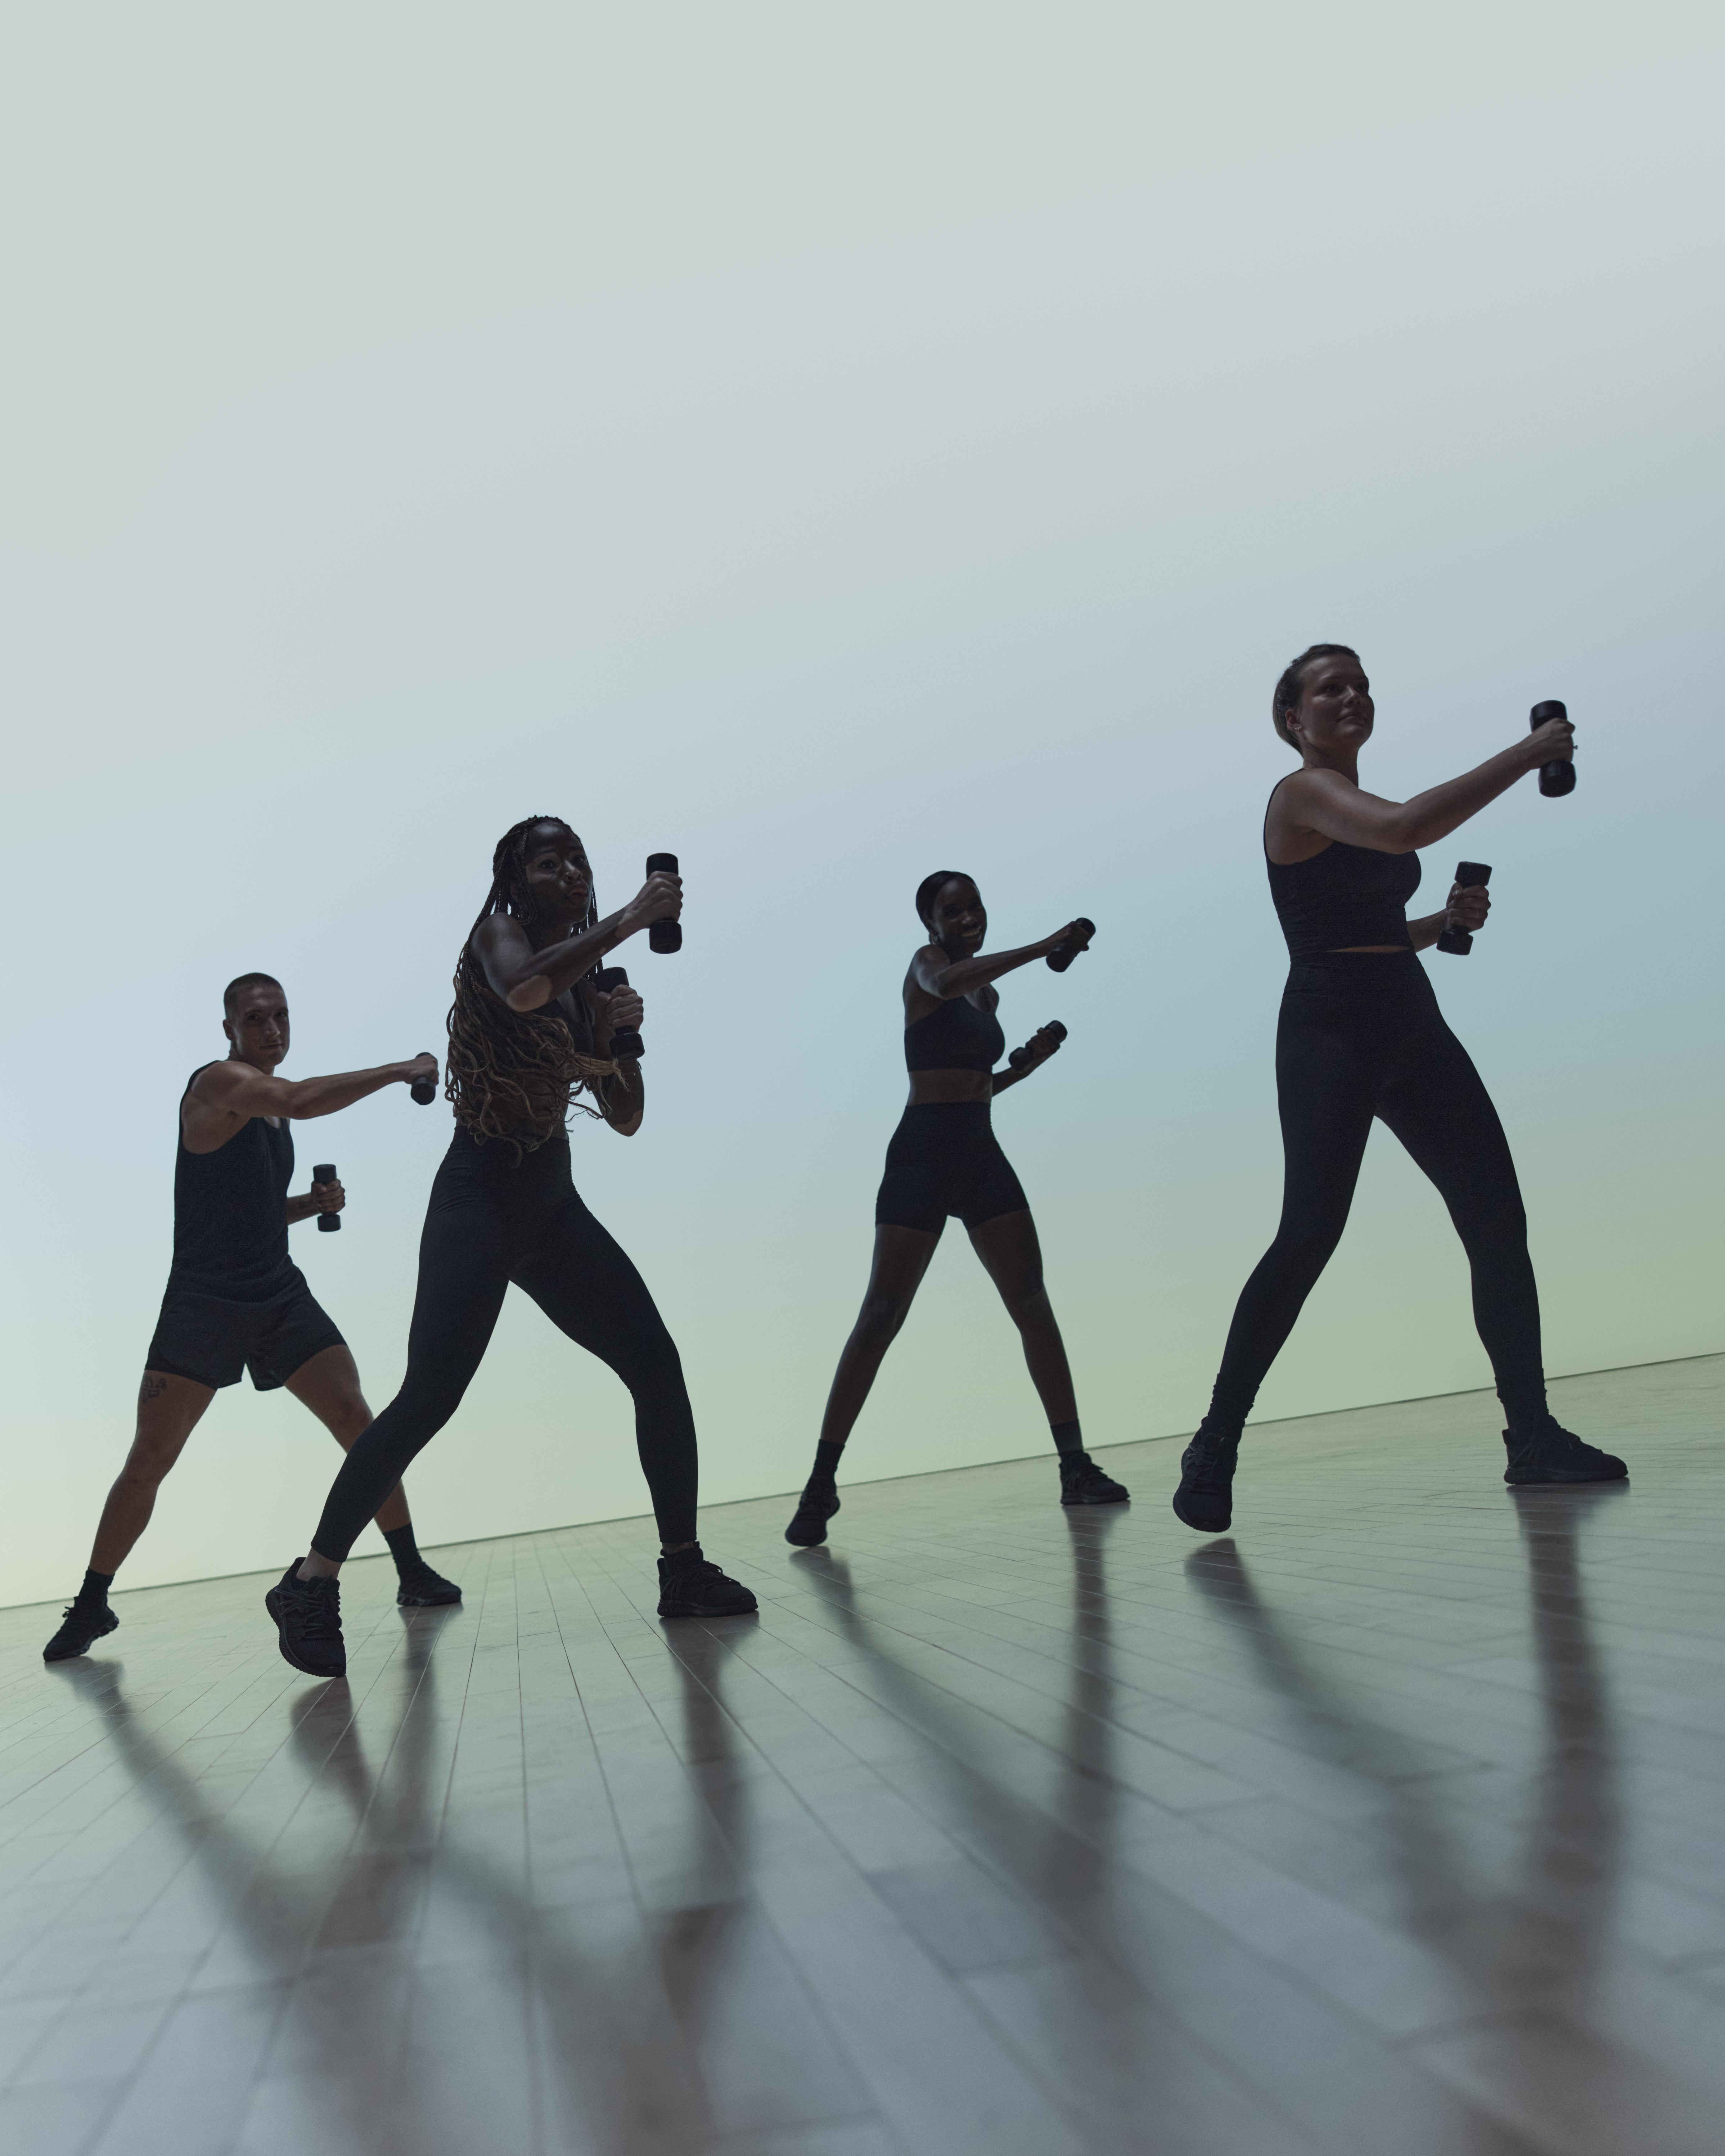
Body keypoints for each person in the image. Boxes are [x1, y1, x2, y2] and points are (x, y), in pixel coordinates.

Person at [265, 819, 756, 1681]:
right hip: (480, 1198)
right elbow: (524, 990)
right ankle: (309, 1583)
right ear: (516, 880)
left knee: (655, 1362)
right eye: (547, 860)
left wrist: (615, 1037)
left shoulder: (589, 976)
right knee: (428, 1399)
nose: (568, 871)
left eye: (577, 859)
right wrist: (631, 918)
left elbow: (627, 1116)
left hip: (550, 1203)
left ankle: (682, 1568)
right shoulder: (501, 936)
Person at [1172, 645, 1626, 1534]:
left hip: (1407, 1017)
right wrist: (1528, 752)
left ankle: (1531, 1437)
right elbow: (1406, 829)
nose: (1351, 695)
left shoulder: (1356, 801)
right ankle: (1213, 1443)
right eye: (1328, 688)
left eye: (1361, 684)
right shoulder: (1298, 794)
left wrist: (1439, 923)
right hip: (1329, 1029)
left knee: (1495, 1217)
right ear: (1292, 720)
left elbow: (1375, 909)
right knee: (1308, 1234)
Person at [43, 975, 459, 1663]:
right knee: (150, 1459)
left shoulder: (268, 1109)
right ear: (230, 1030)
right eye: (256, 1019)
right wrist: (399, 1071)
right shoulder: (221, 1084)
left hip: (277, 1293)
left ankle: (411, 1571)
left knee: (358, 1420)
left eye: (281, 1017)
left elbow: (250, 1210)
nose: (272, 1029)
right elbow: (299, 1099)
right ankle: (91, 1605)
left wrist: (309, 1205)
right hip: (204, 1303)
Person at [785, 871, 1127, 1548]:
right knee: (881, 1315)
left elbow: (975, 1085)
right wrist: (1046, 946)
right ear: (931, 924)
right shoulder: (928, 968)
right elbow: (944, 986)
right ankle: (819, 1486)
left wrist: (1024, 1067)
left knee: (1032, 1303)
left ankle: (1075, 1467)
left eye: (975, 906)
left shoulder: (988, 994)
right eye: (953, 911)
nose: (969, 917)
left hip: (979, 1153)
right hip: (922, 1156)